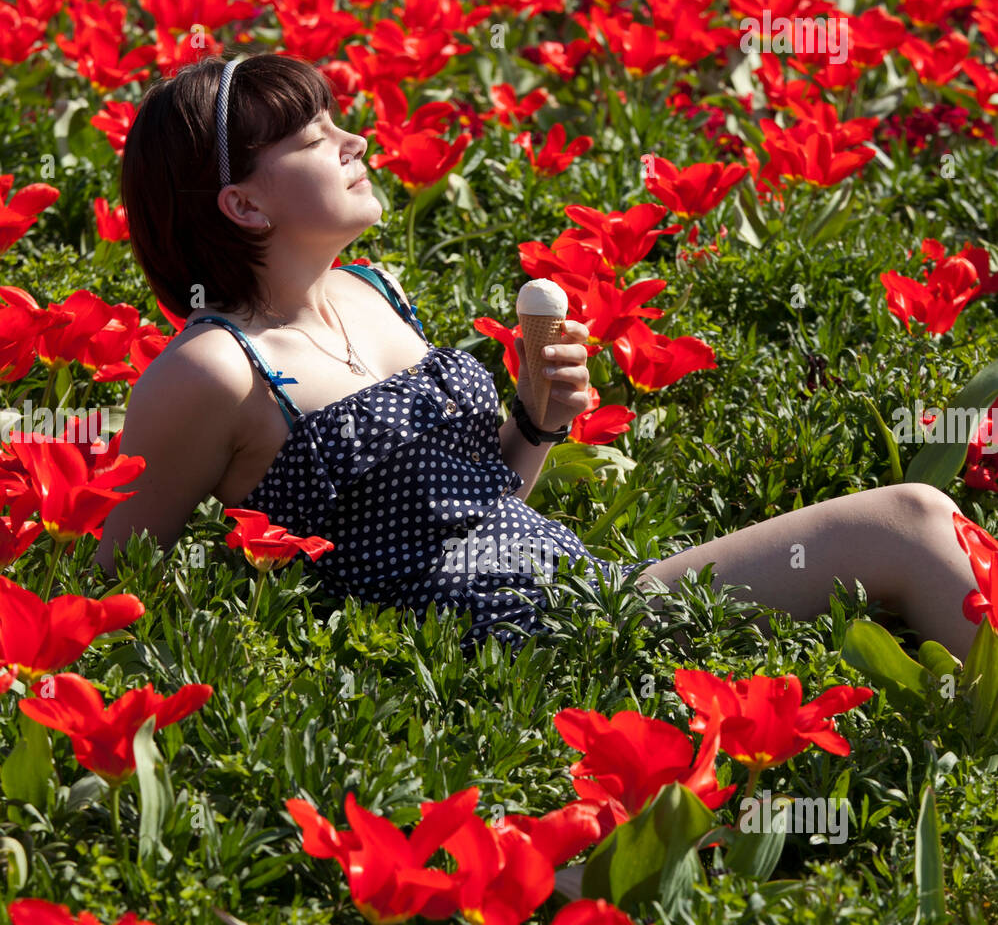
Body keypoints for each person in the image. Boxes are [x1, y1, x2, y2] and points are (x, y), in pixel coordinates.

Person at [97, 52, 981, 664]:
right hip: (513, 657)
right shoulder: (216, 370)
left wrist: (533, 422)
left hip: (588, 595)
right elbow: (113, 591)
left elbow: (470, 514)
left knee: (915, 517)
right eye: (313, 138)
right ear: (245, 206)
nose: (354, 141)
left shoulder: (374, 291)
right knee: (906, 518)